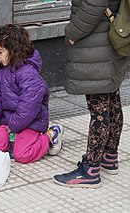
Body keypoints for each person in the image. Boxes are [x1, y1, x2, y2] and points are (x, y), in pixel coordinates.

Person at [53, 0, 129, 188]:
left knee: (99, 111)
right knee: (112, 101)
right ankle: (109, 157)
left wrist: (72, 33)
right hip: (111, 40)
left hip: (96, 46)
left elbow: (92, 6)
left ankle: (90, 169)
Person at [0, 24, 64, 164]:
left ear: (13, 50)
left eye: (0, 52)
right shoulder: (3, 69)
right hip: (10, 121)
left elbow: (28, 107)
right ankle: (15, 141)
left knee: (22, 155)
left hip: (31, 122)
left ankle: (51, 135)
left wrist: (14, 125)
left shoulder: (28, 74)